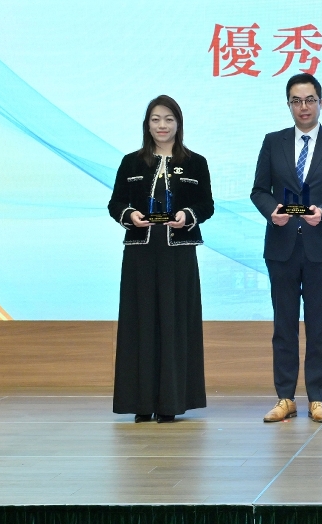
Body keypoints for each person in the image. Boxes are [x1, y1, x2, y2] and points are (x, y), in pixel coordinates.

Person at [250, 74, 322, 424]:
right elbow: (259, 190)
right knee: (283, 326)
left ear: (321, 103)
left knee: (318, 326)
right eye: (296, 101)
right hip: (281, 247)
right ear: (288, 105)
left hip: (320, 247)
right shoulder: (273, 142)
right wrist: (272, 212)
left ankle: (317, 399)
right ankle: (285, 398)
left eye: (310, 100)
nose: (304, 107)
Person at [108, 95, 214, 423]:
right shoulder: (131, 162)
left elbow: (206, 205)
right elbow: (115, 204)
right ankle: (141, 403)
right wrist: (130, 215)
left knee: (175, 322)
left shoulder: (195, 163)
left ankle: (171, 402)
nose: (162, 125)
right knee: (139, 324)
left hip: (178, 254)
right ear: (147, 124)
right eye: (155, 119)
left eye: (168, 119)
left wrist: (186, 215)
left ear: (178, 124)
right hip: (140, 253)